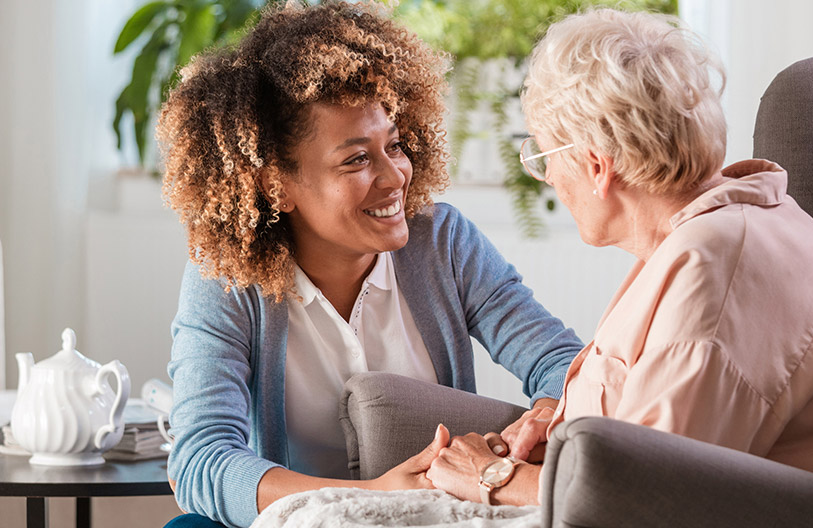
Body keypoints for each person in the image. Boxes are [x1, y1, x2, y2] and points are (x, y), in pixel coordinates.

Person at [425, 8, 813, 506]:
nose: (550, 179)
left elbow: (651, 496)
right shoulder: (712, 233)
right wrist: (564, 426)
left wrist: (493, 476)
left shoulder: (716, 269)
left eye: (542, 157)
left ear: (596, 165)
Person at [156, 2, 582, 527]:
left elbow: (564, 363)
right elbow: (201, 459)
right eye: (356, 159)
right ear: (276, 185)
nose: (395, 175)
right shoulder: (227, 280)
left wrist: (541, 419)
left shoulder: (442, 242)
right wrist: (366, 495)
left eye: (395, 145)